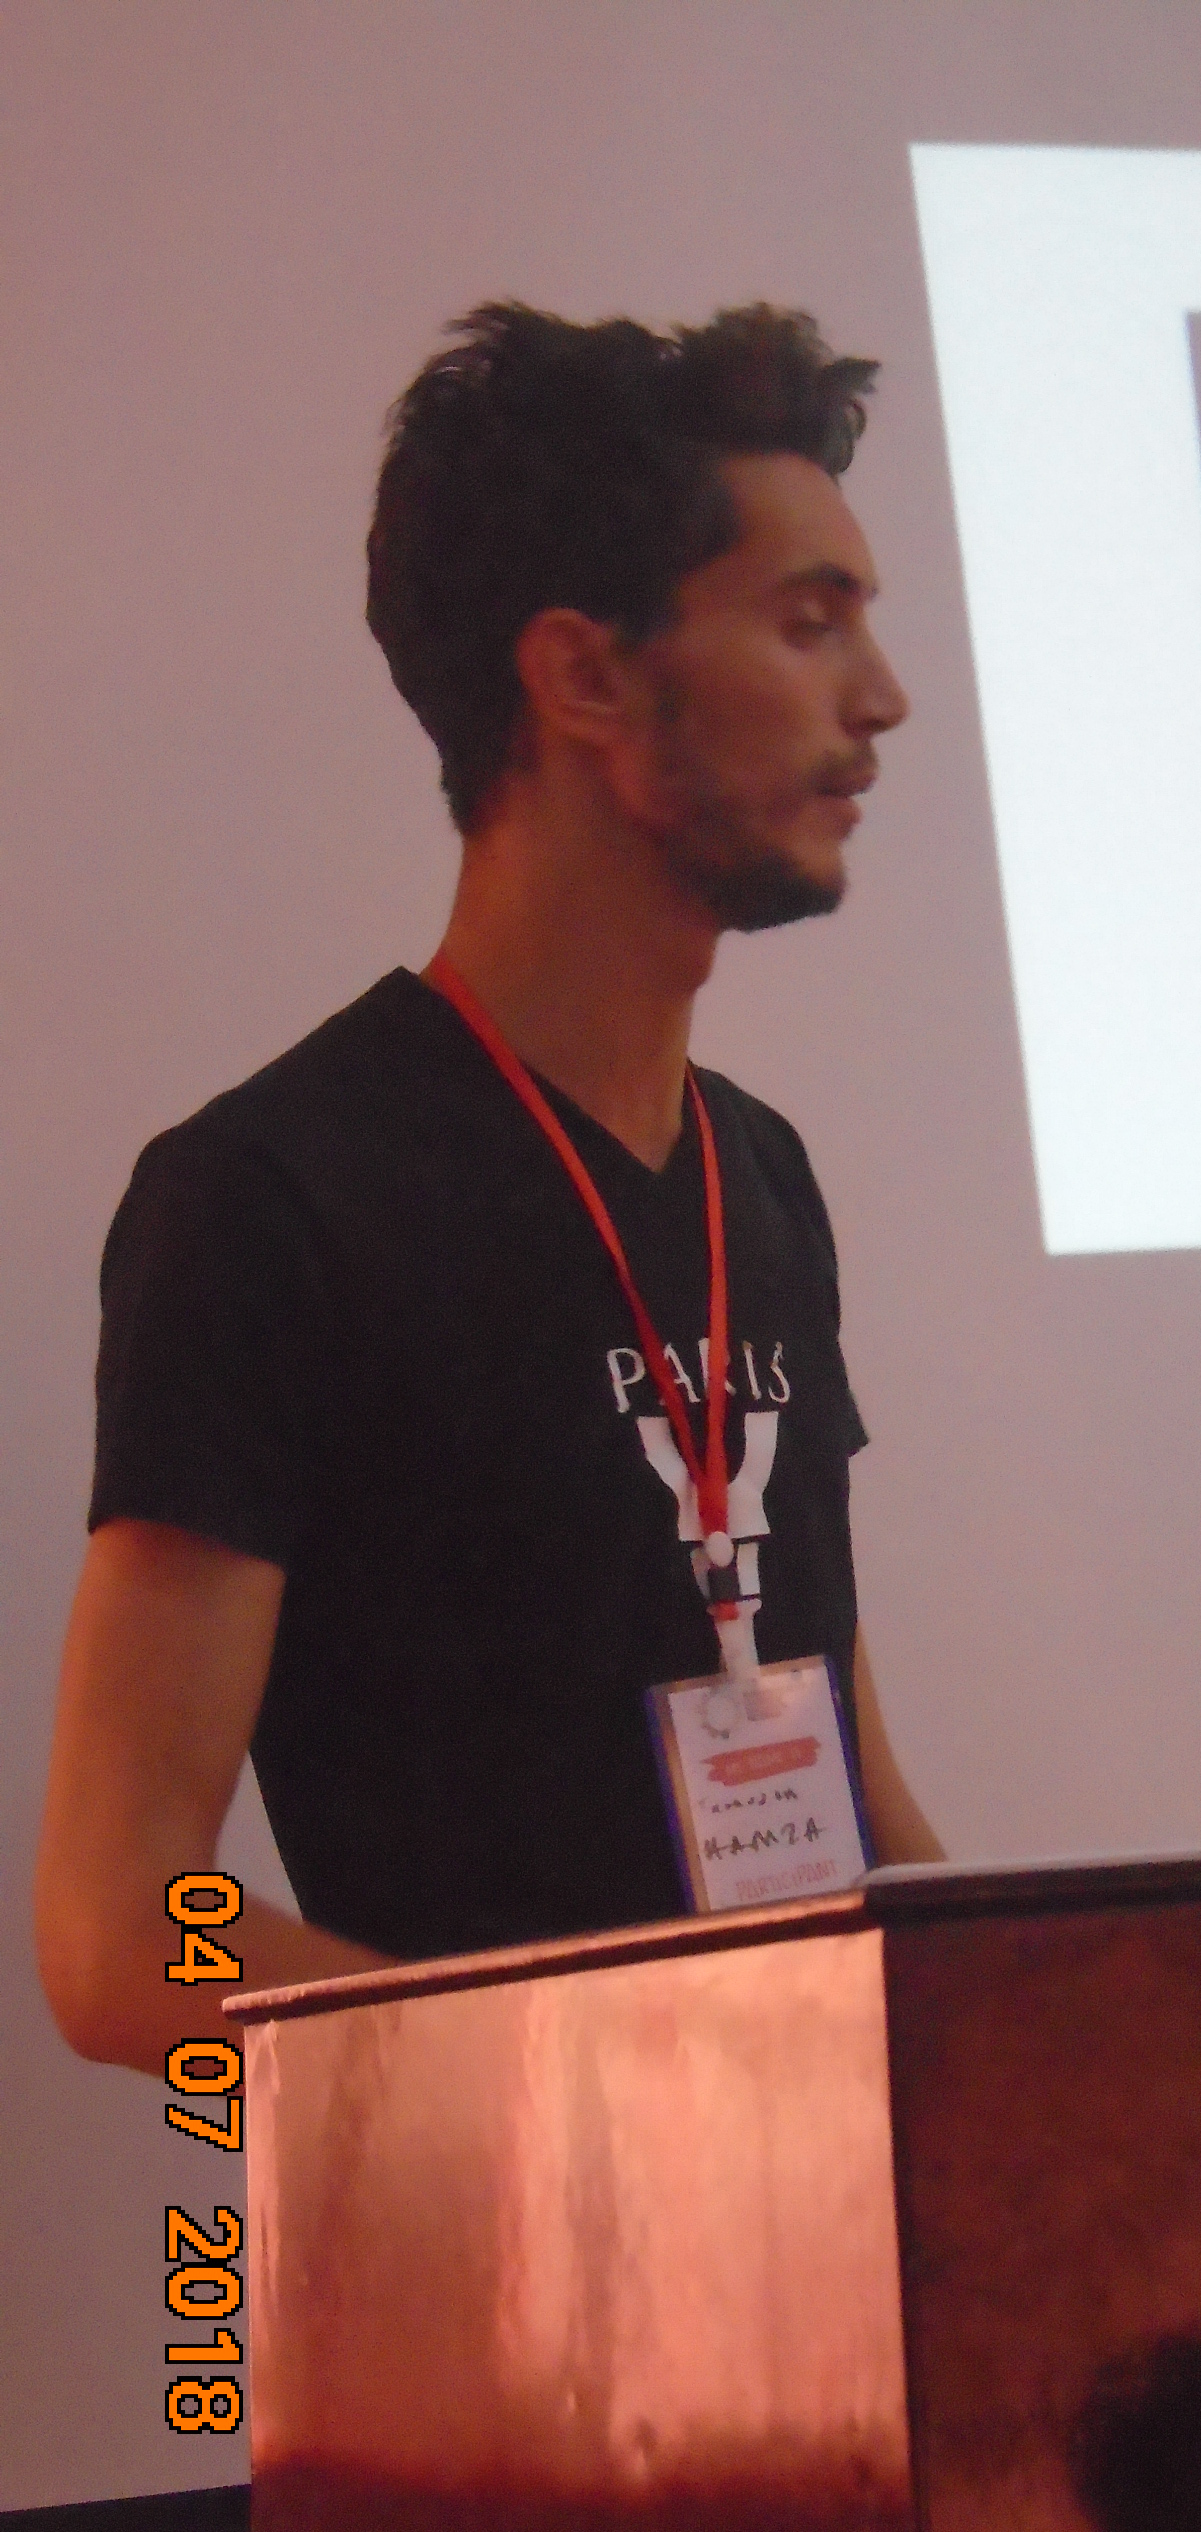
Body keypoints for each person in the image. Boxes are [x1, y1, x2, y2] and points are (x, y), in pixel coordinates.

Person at [36, 299, 941, 2079]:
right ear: (583, 678)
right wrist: (549, 2101)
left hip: (826, 2198)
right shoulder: (274, 1200)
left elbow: (846, 1775)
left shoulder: (755, 1172)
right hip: (522, 2232)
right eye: (807, 620)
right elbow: (122, 1924)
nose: (878, 699)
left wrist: (1024, 2056)